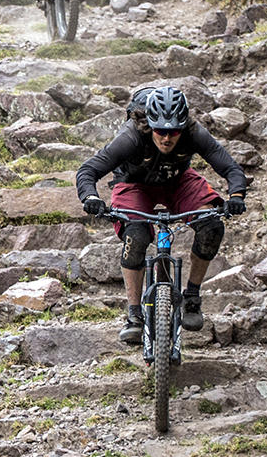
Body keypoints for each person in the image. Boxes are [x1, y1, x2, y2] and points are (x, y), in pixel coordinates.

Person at [75, 85, 249, 345]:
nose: (166, 138)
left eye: (174, 132)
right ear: (150, 124)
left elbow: (230, 167)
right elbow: (88, 170)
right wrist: (90, 198)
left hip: (178, 181)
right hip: (134, 183)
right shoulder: (131, 136)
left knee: (211, 226)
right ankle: (134, 315)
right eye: (160, 131)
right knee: (136, 234)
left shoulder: (193, 132)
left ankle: (192, 297)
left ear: (183, 126)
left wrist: (236, 196)